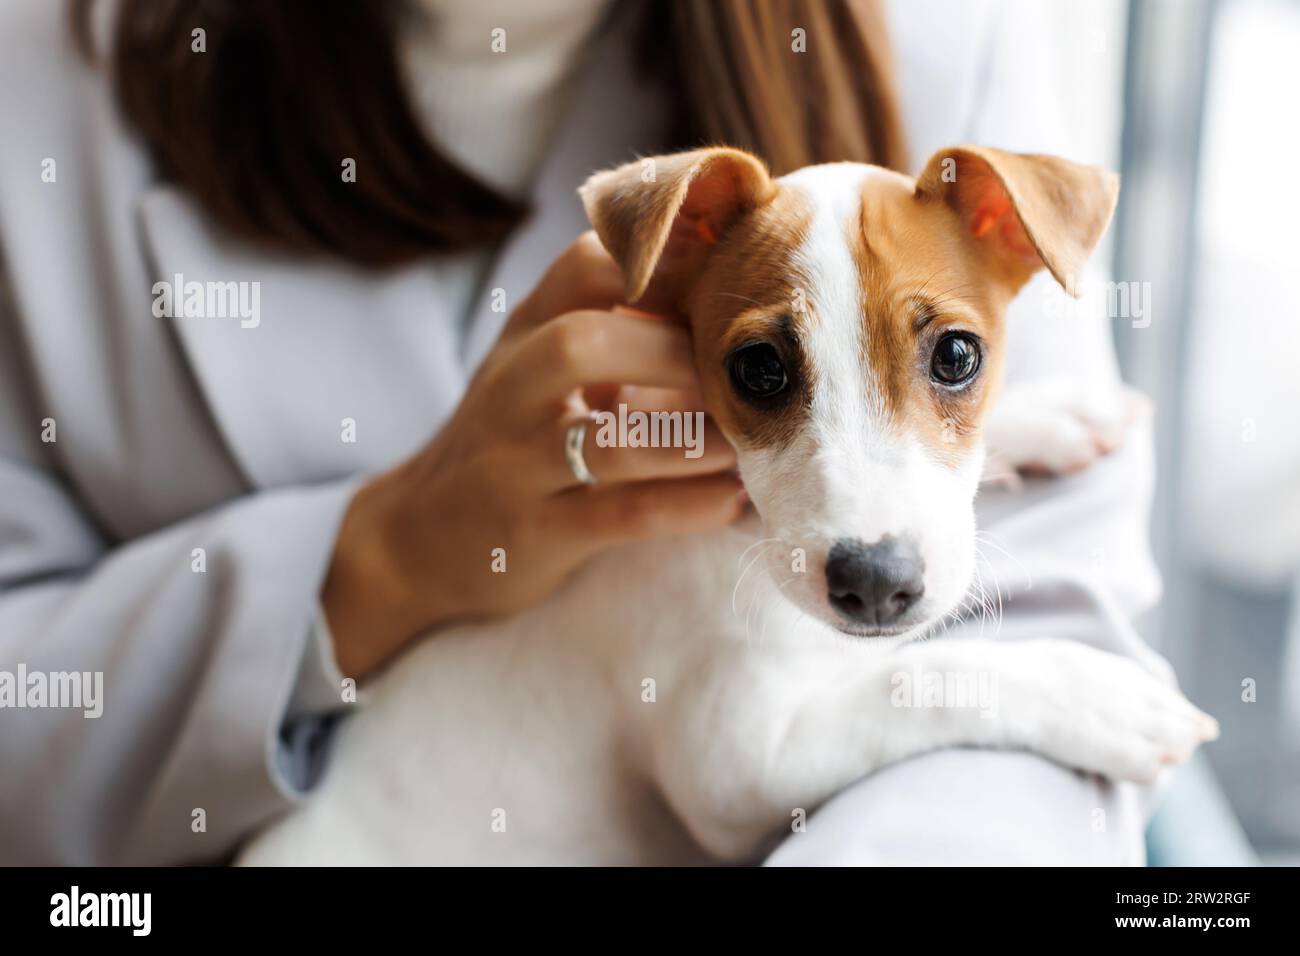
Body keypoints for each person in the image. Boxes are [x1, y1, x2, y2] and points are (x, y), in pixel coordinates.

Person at [0, 0, 1164, 864]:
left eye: (951, 361)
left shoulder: (946, 43)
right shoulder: (39, 80)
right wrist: (378, 558)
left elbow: (1058, 607)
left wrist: (985, 434)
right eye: (759, 369)